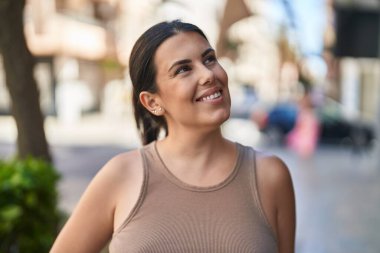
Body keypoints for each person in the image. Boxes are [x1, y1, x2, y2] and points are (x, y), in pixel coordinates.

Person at [50, 20, 296, 253]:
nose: (208, 74)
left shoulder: (270, 175)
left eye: (209, 59)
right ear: (153, 102)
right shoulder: (121, 175)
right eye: (183, 69)